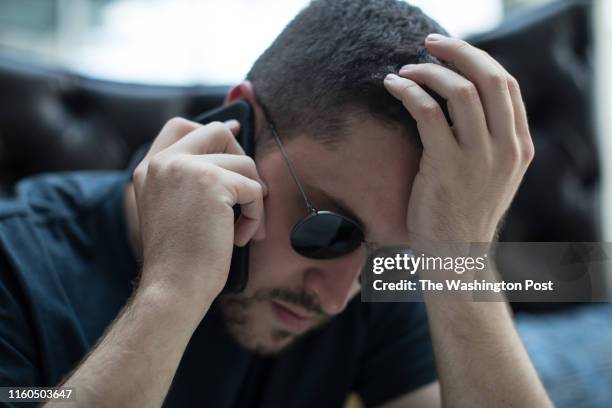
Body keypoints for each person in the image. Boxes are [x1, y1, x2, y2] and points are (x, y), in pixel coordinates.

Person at [0, 0, 552, 406]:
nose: (338, 298)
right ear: (240, 128)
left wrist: (459, 253)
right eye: (330, 229)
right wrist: (171, 293)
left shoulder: (369, 281)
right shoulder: (16, 267)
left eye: (395, 253)